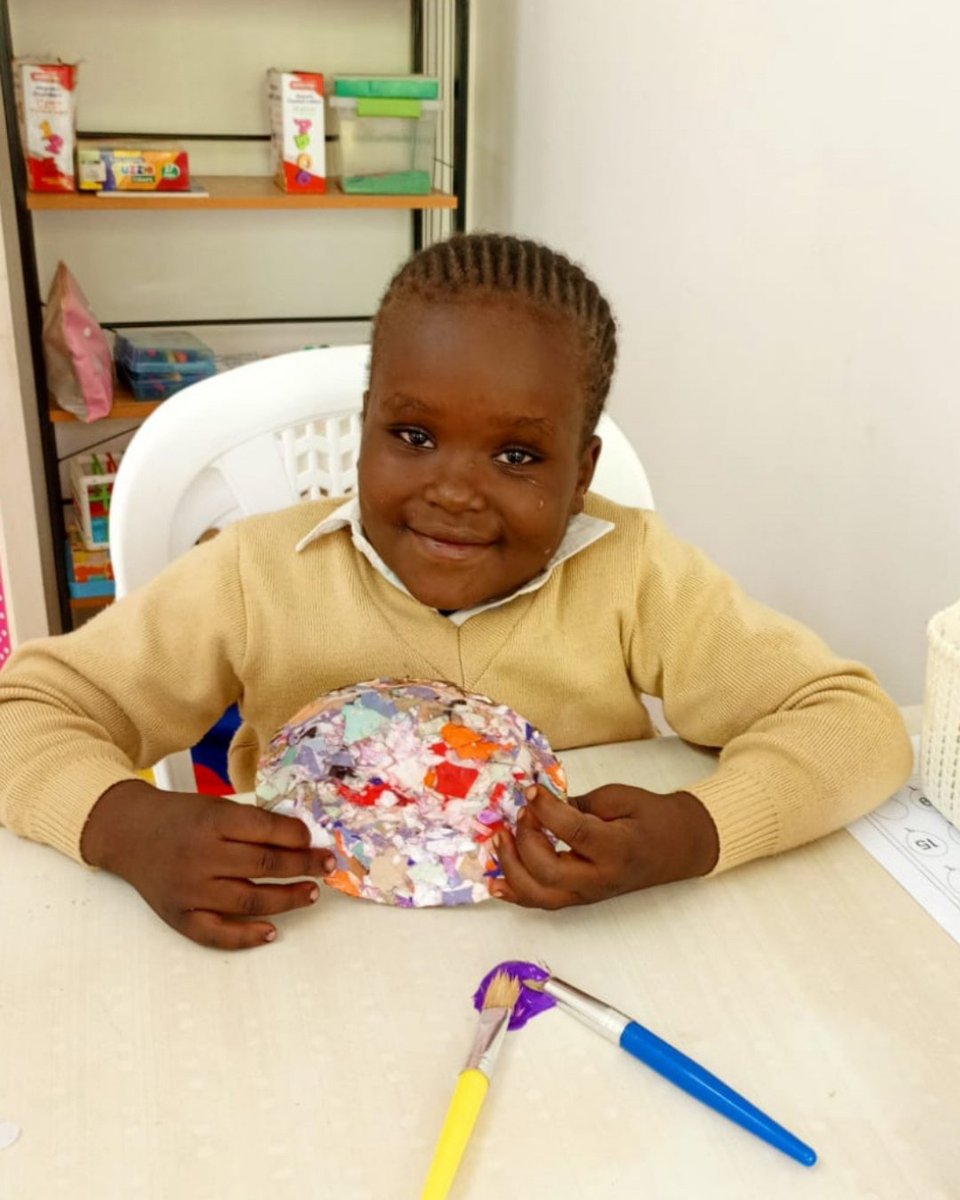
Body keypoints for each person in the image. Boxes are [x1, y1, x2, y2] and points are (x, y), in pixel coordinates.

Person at [0, 232, 912, 949]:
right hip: (310, 955)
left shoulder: (633, 572)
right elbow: (26, 712)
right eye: (413, 435)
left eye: (516, 455)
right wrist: (123, 824)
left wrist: (694, 833)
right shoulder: (255, 573)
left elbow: (855, 723)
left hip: (577, 956)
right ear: (364, 426)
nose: (455, 491)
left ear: (581, 472)